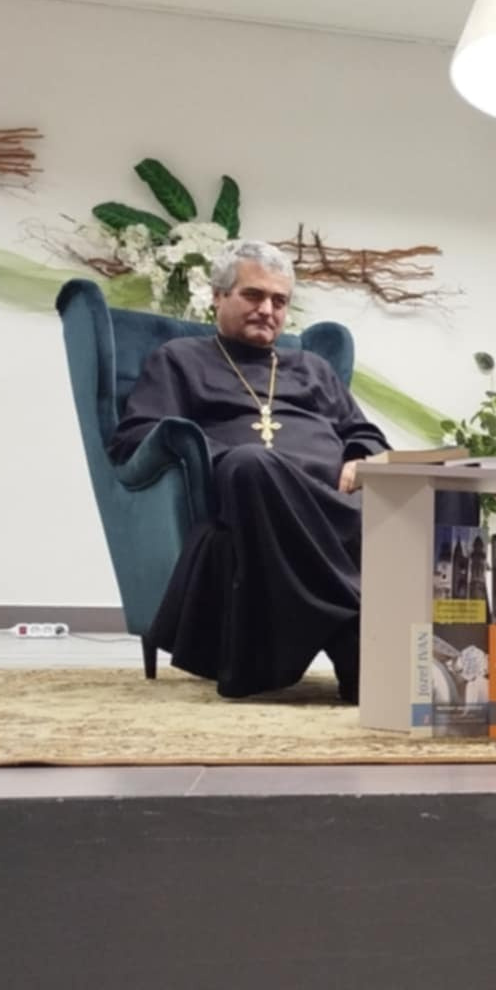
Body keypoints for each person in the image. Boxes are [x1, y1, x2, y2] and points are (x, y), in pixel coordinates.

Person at [111, 241, 386, 701]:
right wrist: (217, 458)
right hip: (250, 494)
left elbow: (364, 432)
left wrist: (360, 456)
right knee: (250, 463)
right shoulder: (180, 359)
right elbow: (136, 436)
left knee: (443, 487)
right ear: (218, 297)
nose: (267, 310)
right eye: (253, 295)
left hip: (333, 503)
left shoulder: (313, 368)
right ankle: (359, 636)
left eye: (279, 301)